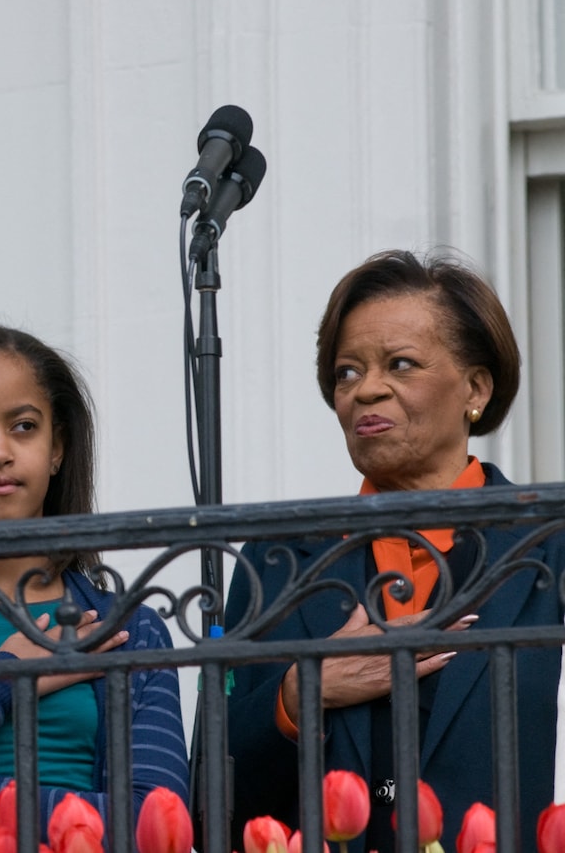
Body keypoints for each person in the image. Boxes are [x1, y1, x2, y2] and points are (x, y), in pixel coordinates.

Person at [223, 250, 564, 850]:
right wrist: (300, 694)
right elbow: (209, 798)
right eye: (347, 372)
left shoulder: (548, 542)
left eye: (400, 365)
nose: (365, 391)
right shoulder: (278, 560)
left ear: (475, 388)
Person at [0, 320, 190, 832]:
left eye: (23, 426)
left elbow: (157, 821)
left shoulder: (132, 630)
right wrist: (2, 680)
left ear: (57, 447)